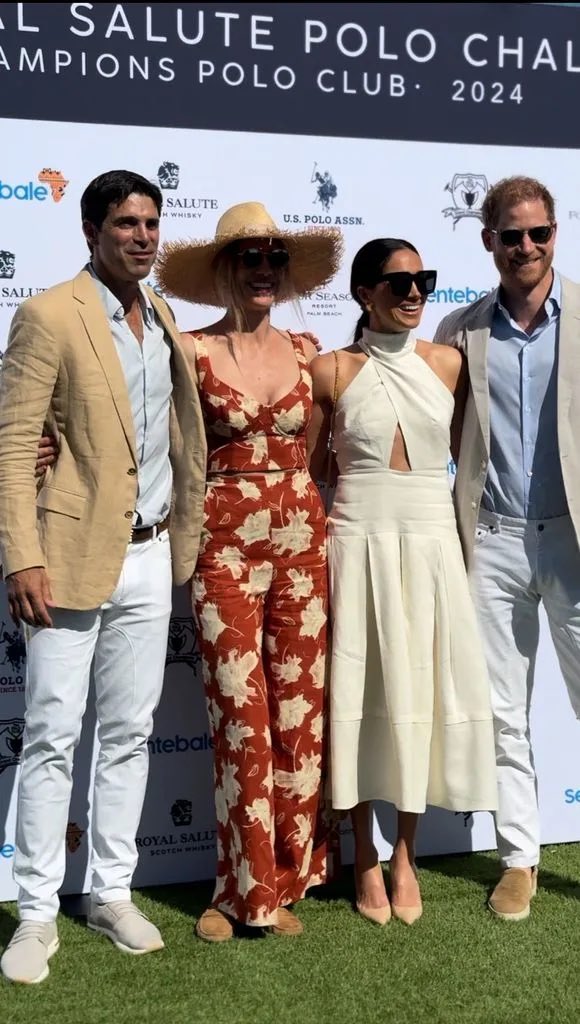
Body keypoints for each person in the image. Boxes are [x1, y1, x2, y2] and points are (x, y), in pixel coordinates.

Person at [0, 169, 207, 984]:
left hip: (151, 553)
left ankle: (111, 890)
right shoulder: (49, 314)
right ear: (91, 231)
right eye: (126, 222)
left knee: (128, 733)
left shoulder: (162, 317)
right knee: (51, 734)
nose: (143, 235)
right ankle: (36, 914)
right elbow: (16, 446)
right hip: (66, 555)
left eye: (152, 222)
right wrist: (22, 553)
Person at [156, 201, 343, 941]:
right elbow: (159, 440)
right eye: (248, 258)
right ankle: (240, 891)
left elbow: (318, 453)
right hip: (221, 544)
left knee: (301, 713)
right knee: (240, 715)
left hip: (302, 541)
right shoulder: (192, 352)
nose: (263, 268)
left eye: (273, 257)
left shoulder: (307, 348)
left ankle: (291, 879)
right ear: (224, 271)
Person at [308, 238, 498, 926]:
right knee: (356, 689)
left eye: (424, 280)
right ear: (364, 293)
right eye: (399, 282)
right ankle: (361, 851)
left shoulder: (449, 364)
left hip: (430, 539)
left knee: (419, 689)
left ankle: (406, 855)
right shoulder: (328, 370)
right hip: (355, 539)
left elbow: (461, 458)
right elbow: (312, 471)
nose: (415, 293)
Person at [434, 175, 580, 921]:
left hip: (575, 543)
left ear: (555, 233)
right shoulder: (459, 331)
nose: (526, 247)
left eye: (539, 233)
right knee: (503, 712)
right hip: (491, 539)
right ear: (487, 240)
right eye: (510, 234)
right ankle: (519, 857)